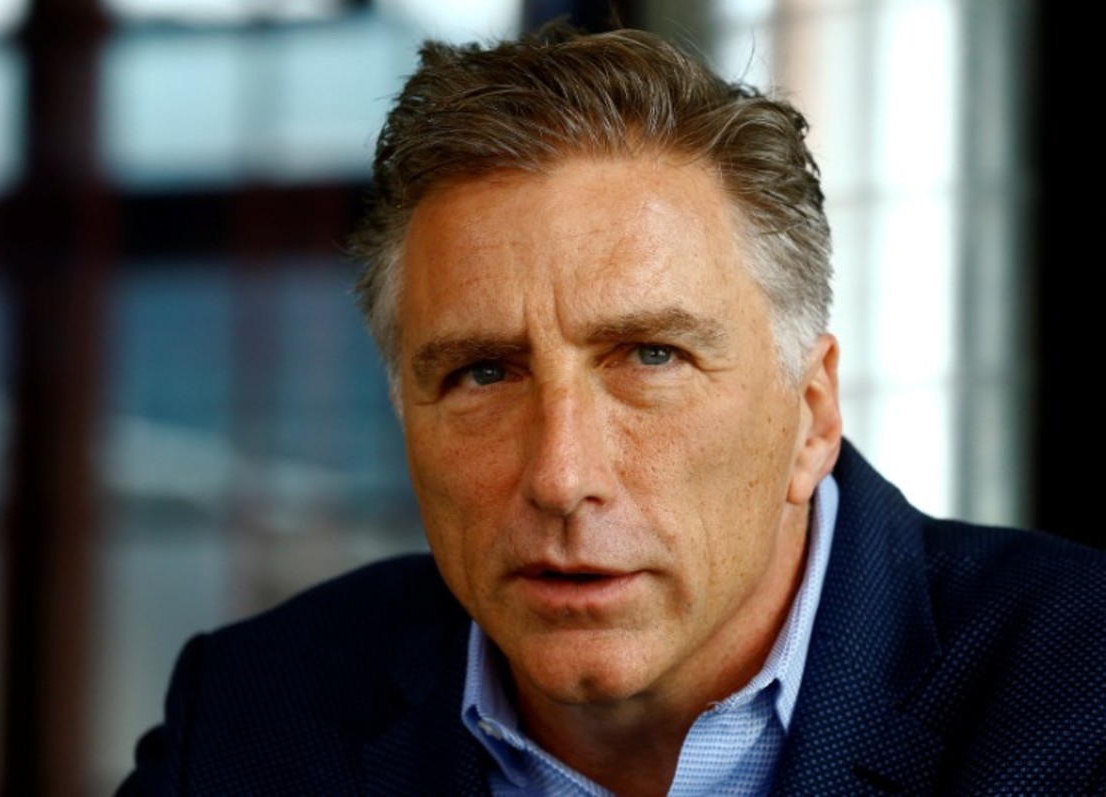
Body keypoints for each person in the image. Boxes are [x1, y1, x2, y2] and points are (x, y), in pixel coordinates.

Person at [119, 25, 1106, 796]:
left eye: (650, 356)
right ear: (404, 413)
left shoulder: (1081, 691)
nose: (561, 475)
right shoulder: (252, 717)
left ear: (810, 415)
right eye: (483, 373)